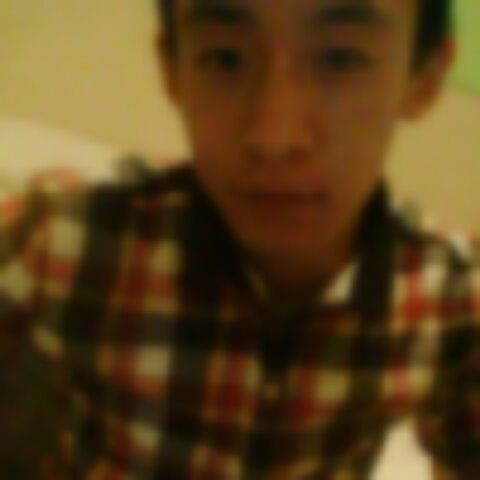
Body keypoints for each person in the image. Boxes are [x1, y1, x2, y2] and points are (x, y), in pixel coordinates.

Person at [0, 0, 478, 478]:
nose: (274, 137)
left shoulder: (450, 300)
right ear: (173, 69)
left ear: (424, 79)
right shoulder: (67, 241)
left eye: (340, 59)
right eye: (225, 58)